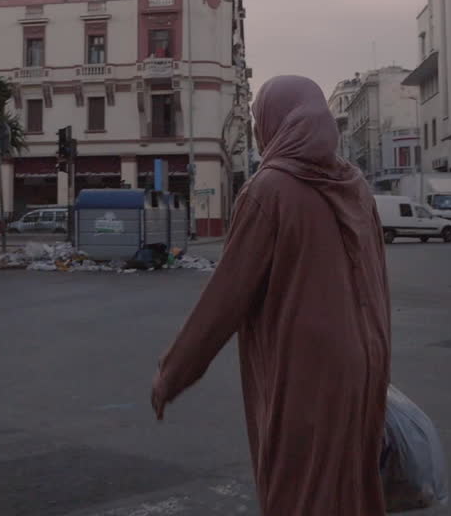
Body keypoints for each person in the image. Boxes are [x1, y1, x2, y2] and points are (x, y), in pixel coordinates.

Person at [151, 75, 392, 515]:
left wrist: (173, 373)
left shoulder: (269, 191)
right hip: (365, 365)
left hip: (305, 372)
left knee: (297, 489)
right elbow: (378, 284)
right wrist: (376, 354)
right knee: (352, 485)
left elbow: (226, 297)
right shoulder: (355, 187)